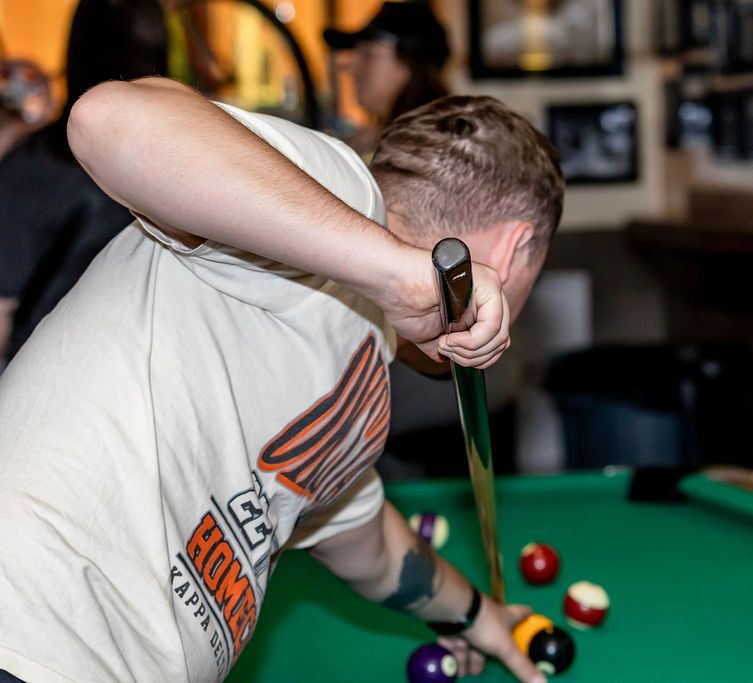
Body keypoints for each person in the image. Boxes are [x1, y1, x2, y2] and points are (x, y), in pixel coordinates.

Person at [0, 75, 563, 683]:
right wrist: (403, 276)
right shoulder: (344, 194)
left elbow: (369, 546)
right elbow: (110, 118)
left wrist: (478, 617)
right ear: (511, 253)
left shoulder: (363, 353)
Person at [0, 0, 168, 366]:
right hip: (154, 372)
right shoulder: (187, 158)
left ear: (75, 51)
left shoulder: (35, 165)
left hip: (54, 383)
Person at [324, 1, 450, 155]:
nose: (350, 68)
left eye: (368, 55)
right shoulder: (376, 139)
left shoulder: (430, 145)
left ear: (410, 63)